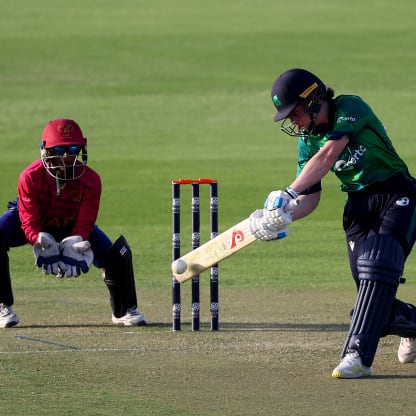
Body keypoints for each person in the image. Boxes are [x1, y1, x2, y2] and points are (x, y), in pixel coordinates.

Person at [249, 68, 416, 378]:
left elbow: (328, 157)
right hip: (357, 208)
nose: (293, 122)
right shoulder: (307, 143)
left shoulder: (350, 108)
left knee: (377, 267)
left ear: (312, 99)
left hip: (396, 192)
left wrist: (288, 191)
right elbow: (309, 200)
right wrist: (279, 218)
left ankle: (357, 356)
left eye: (294, 113)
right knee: (373, 295)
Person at [0, 118, 147, 328]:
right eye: (60, 149)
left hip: (72, 223)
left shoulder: (91, 180)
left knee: (118, 255)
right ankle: (2, 305)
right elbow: (28, 221)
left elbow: (86, 221)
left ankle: (124, 310)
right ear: (46, 151)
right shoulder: (30, 177)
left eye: (73, 148)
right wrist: (37, 238)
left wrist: (78, 240)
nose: (68, 155)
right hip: (33, 221)